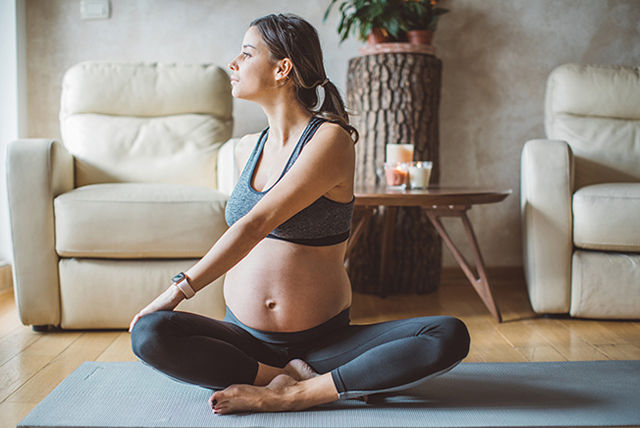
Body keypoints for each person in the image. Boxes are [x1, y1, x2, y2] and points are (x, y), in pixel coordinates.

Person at [129, 13, 470, 415]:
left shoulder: (329, 140)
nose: (233, 64)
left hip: (323, 344)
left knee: (447, 335)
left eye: (245, 53)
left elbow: (256, 224)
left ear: (282, 68)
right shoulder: (245, 149)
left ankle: (294, 393)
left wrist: (175, 292)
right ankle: (280, 375)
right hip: (245, 340)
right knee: (150, 334)